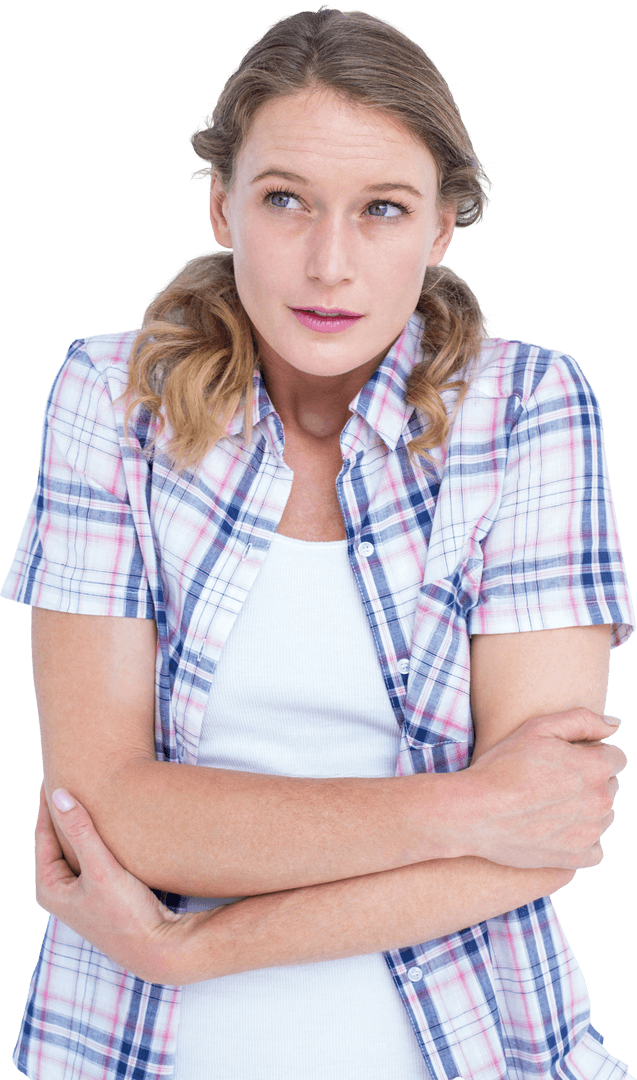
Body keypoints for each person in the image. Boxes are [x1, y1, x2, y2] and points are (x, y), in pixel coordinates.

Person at [2, 6, 634, 1079]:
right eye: (285, 199)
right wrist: (470, 807)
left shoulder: (531, 407)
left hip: (485, 1050)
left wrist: (191, 945)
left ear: (438, 231)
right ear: (221, 206)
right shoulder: (112, 398)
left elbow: (549, 839)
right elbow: (106, 809)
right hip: (129, 1049)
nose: (329, 263)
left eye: (382, 209)